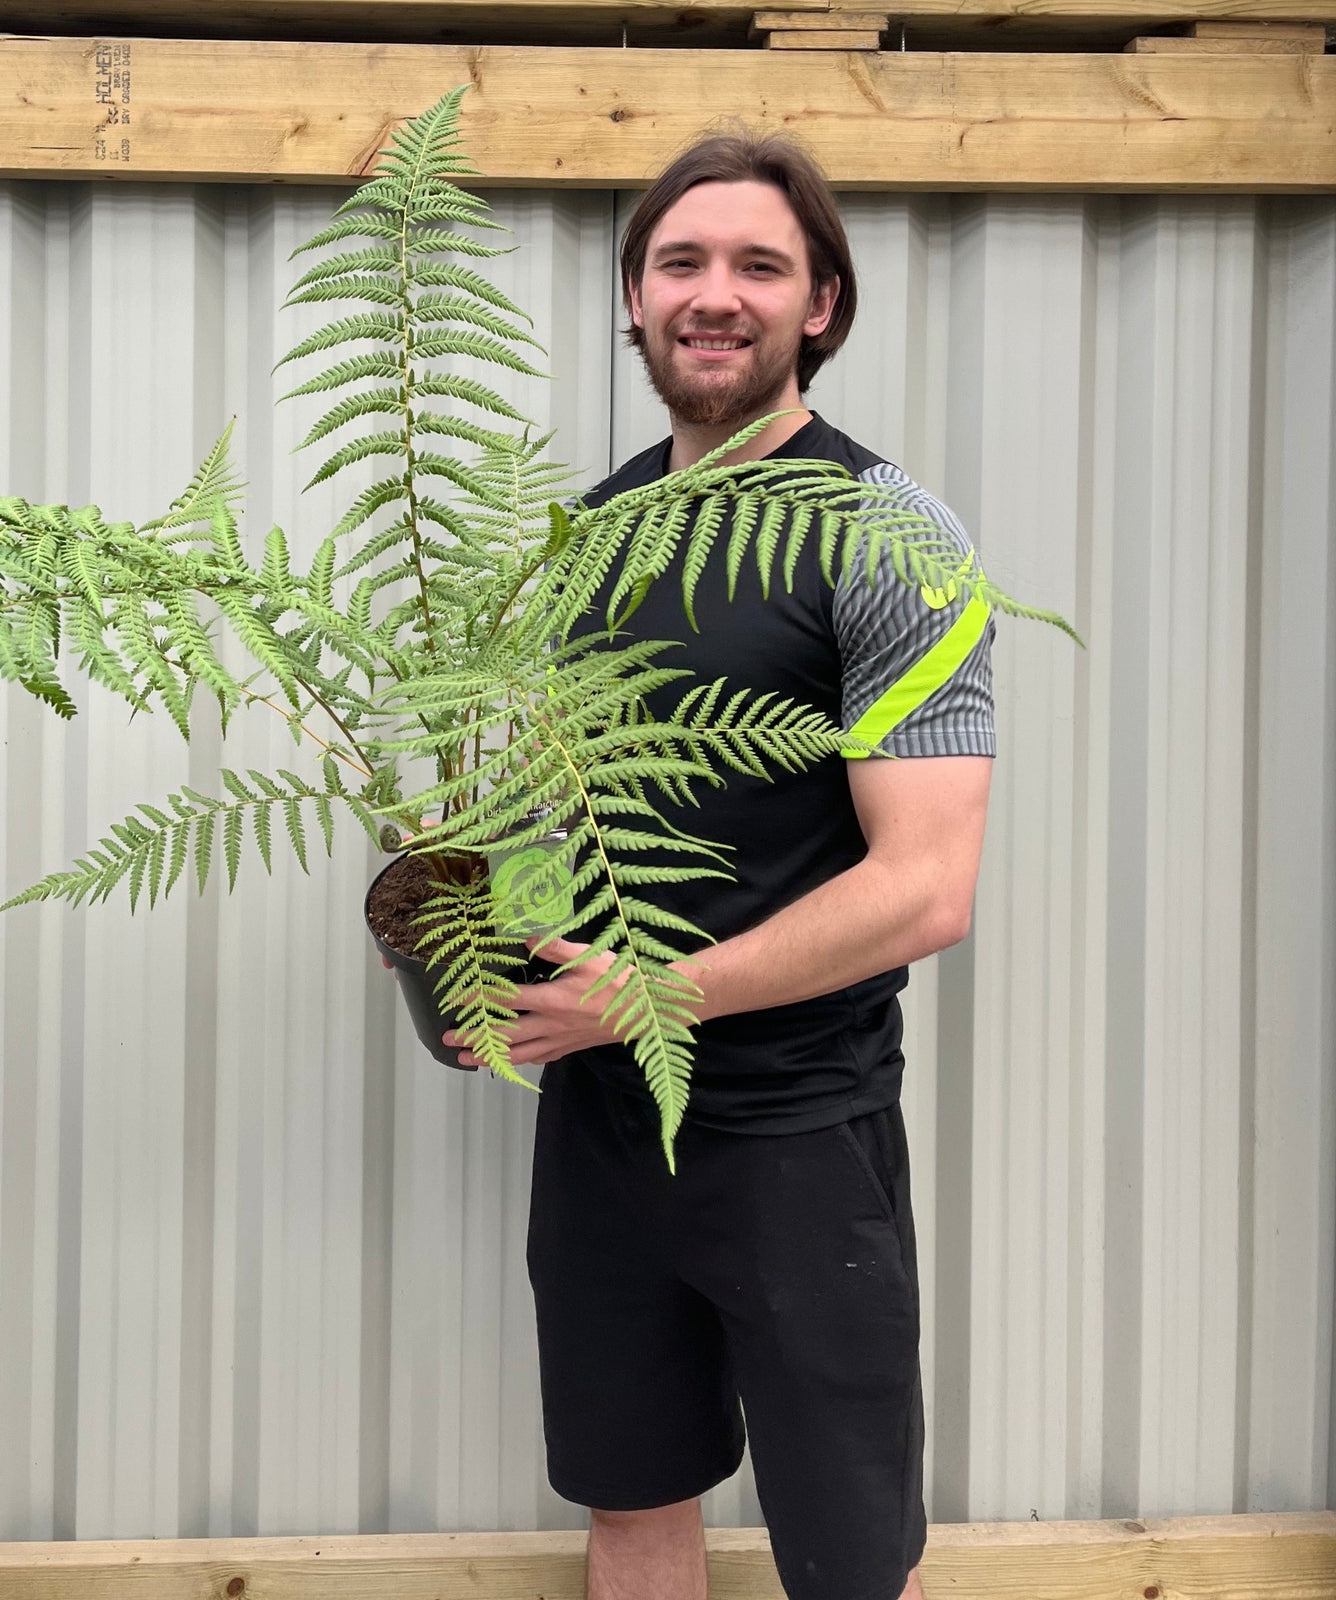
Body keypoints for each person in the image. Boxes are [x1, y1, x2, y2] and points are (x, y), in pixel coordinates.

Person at [446, 133, 995, 1600]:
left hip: (801, 1139)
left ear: (822, 303)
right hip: (602, 1131)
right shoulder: (582, 537)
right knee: (632, 1507)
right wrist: (463, 942)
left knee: (853, 1559)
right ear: (633, 297)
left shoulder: (891, 537)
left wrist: (656, 997)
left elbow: (927, 887)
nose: (715, 294)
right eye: (680, 261)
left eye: (760, 264)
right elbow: (546, 817)